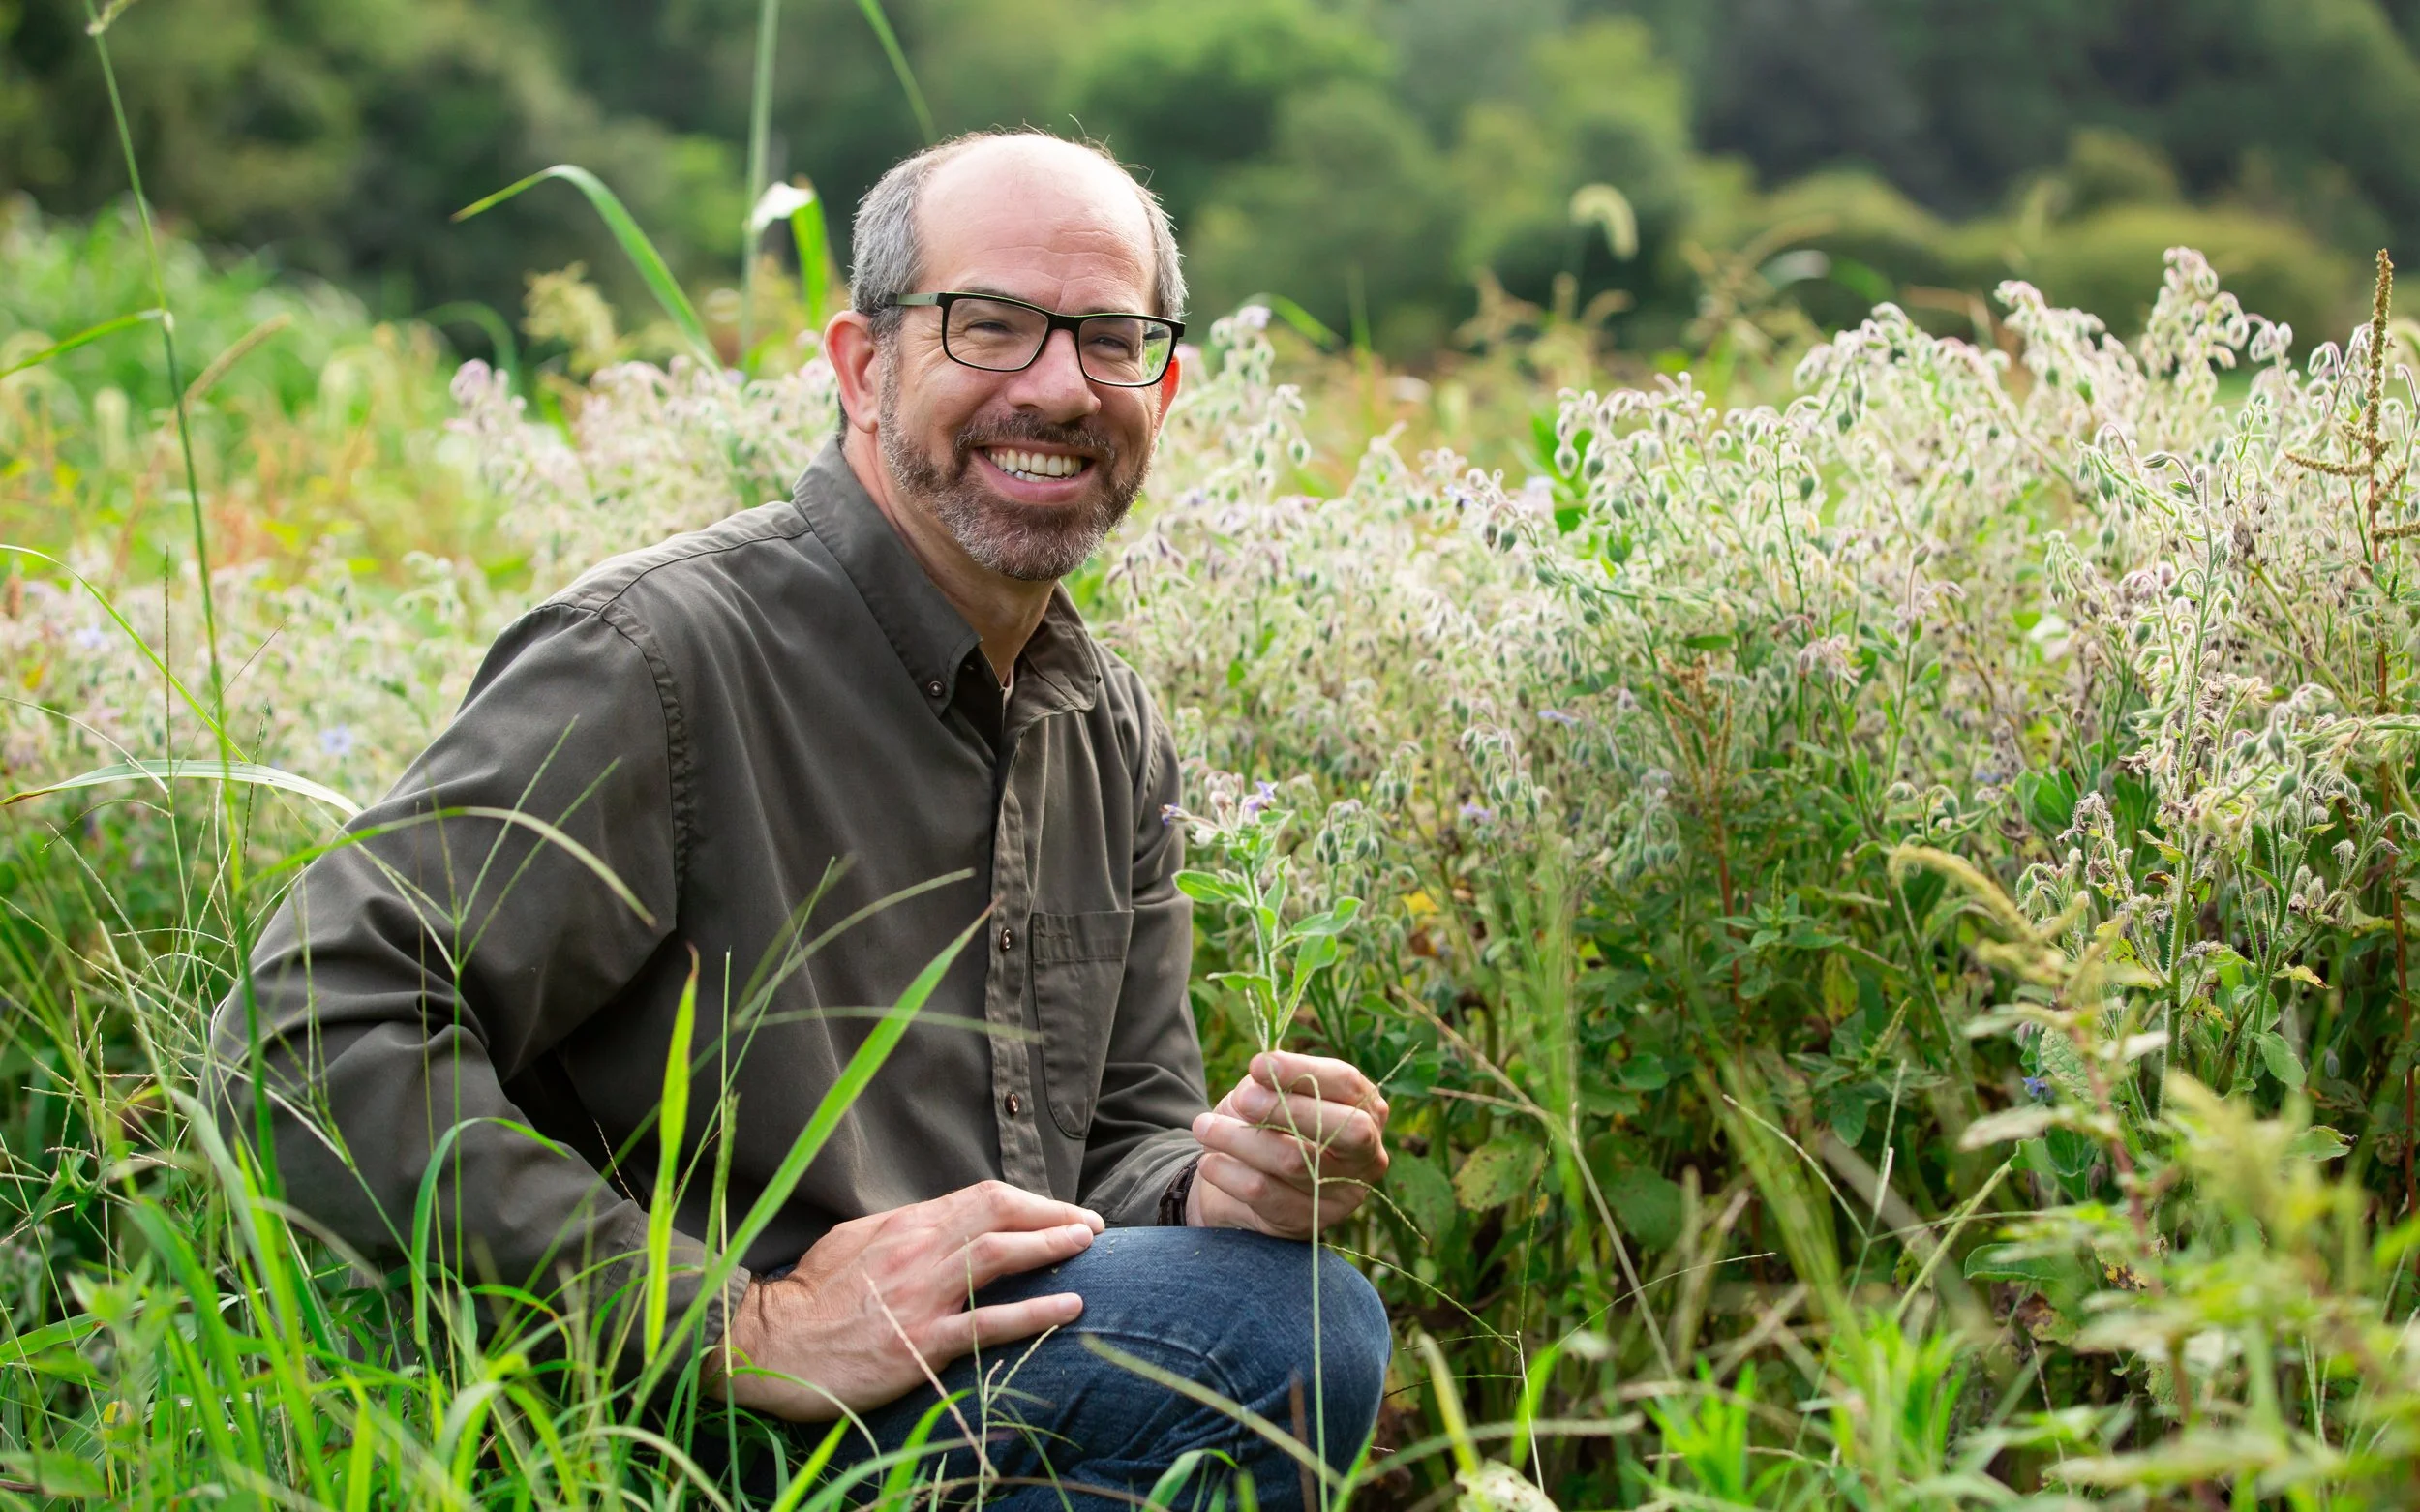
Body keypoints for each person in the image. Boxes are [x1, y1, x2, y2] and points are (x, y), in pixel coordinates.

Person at [207, 129, 1393, 1508]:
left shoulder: (1106, 723)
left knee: (1269, 1300)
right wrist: (732, 1323)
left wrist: (1219, 1195)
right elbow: (303, 1026)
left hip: (963, 1399)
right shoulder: (656, 657)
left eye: (1112, 340)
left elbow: (1121, 1141)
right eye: (992, 327)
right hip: (676, 1423)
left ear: (1165, 387)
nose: (1060, 386)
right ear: (862, 362)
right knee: (1293, 1336)